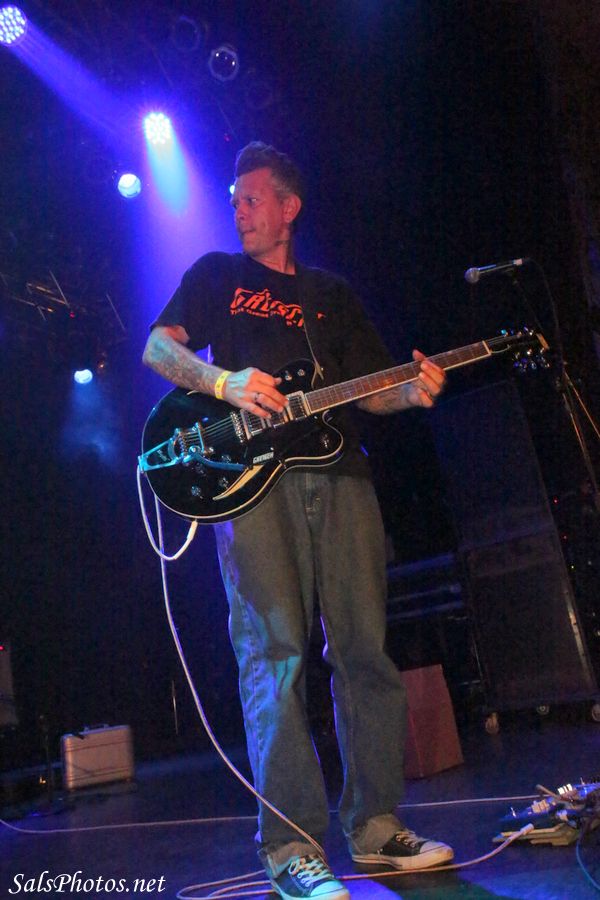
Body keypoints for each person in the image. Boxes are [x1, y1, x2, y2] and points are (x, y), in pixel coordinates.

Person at [143, 142, 452, 900]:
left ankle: (376, 826)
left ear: (289, 207)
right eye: (233, 200)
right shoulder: (217, 275)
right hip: (251, 486)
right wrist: (223, 381)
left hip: (342, 476)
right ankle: (290, 846)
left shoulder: (330, 295)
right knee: (274, 656)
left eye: (252, 198)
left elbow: (369, 389)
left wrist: (412, 392)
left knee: (364, 650)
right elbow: (157, 347)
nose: (239, 211)